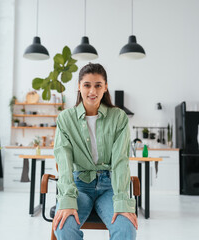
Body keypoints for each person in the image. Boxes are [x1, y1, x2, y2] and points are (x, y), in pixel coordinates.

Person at [53, 63, 137, 240]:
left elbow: (121, 161)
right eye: (87, 85)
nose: (93, 91)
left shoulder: (119, 117)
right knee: (64, 228)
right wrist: (67, 200)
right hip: (79, 187)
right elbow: (64, 161)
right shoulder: (65, 119)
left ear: (105, 87)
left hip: (110, 187)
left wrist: (122, 200)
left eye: (98, 85)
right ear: (79, 87)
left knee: (125, 229)